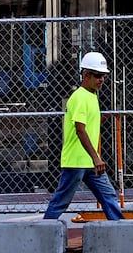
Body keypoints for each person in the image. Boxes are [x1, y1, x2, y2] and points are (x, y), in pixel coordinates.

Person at [43, 52, 124, 222]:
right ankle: (45, 232)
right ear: (86, 75)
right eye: (98, 76)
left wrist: (94, 158)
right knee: (61, 201)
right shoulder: (80, 97)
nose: (102, 79)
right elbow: (80, 129)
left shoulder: (91, 95)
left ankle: (120, 230)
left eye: (103, 76)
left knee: (108, 196)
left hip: (88, 161)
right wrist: (96, 157)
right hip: (77, 161)